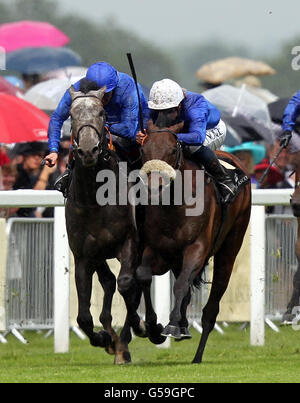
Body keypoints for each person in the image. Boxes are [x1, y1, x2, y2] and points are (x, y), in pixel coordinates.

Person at [44, 61, 149, 196]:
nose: (102, 98)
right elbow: (57, 118)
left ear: (114, 88)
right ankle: (69, 172)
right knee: (81, 139)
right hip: (98, 123)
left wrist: (98, 126)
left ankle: (139, 178)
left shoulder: (128, 87)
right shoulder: (77, 89)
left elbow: (128, 129)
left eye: (106, 94)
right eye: (99, 94)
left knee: (130, 141)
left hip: (132, 124)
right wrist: (53, 150)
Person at [138, 78, 237, 203]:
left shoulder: (196, 107)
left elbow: (197, 137)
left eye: (168, 112)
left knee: (192, 148)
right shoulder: (156, 103)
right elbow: (147, 127)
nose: (162, 116)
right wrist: (142, 135)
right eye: (159, 112)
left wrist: (166, 137)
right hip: (179, 131)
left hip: (208, 129)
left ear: (179, 106)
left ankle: (225, 181)